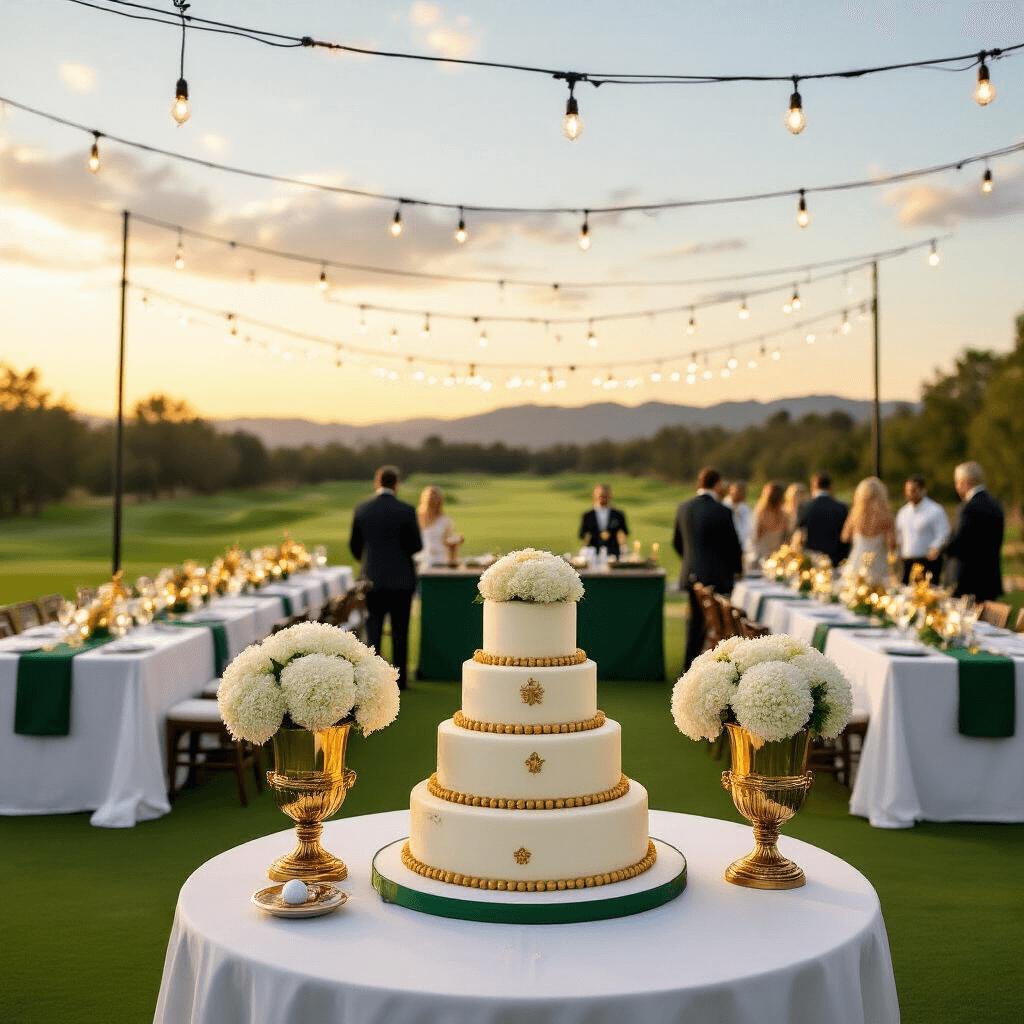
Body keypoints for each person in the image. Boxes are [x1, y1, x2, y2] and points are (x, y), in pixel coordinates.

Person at [349, 465, 422, 689]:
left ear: (377, 483)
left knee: (374, 629)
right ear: (396, 485)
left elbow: (354, 546)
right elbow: (416, 545)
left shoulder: (362, 509)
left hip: (373, 580)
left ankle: (374, 682)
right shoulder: (407, 510)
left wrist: (369, 562)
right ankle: (400, 681)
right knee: (401, 629)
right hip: (402, 580)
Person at [672, 467, 743, 671]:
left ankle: (689, 668)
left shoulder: (683, 507)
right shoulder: (723, 511)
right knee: (718, 626)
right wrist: (737, 570)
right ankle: (714, 669)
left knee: (694, 625)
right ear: (718, 484)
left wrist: (690, 562)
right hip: (717, 578)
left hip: (691, 576)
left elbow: (677, 543)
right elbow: (733, 548)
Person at [945, 461, 1005, 602]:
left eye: (957, 482)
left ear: (966, 481)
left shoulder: (968, 507)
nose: (956, 487)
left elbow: (960, 542)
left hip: (968, 580)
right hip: (990, 579)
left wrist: (942, 549)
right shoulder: (996, 505)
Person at [895, 473, 950, 584]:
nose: (909, 494)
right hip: (907, 562)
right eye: (907, 490)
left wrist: (935, 547)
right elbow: (899, 536)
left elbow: (943, 533)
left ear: (923, 490)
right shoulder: (903, 512)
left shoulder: (935, 510)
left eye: (913, 490)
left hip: (927, 562)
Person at [840, 477, 897, 584]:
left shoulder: (855, 515)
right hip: (878, 562)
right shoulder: (887, 517)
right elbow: (892, 544)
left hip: (857, 561)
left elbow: (845, 537)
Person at [797, 473, 850, 567]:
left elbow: (799, 536)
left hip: (812, 561)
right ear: (830, 487)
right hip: (836, 561)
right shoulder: (842, 508)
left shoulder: (804, 507)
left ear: (813, 487)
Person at [416, 486, 463, 567]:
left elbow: (449, 542)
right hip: (421, 560)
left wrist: (456, 542)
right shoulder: (416, 518)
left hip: (440, 561)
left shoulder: (445, 521)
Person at [579, 483, 629, 558]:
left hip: (613, 552)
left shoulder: (618, 514)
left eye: (605, 496)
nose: (603, 498)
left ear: (610, 496)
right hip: (592, 553)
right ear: (595, 496)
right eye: (600, 496)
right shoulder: (588, 515)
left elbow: (624, 532)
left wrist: (621, 541)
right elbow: (582, 534)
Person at [747, 481, 789, 570]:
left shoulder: (759, 514)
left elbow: (754, 539)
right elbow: (786, 540)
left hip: (761, 558)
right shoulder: (784, 516)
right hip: (775, 558)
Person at [722, 481, 753, 550]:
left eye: (740, 492)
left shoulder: (746, 509)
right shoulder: (723, 506)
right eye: (735, 491)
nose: (736, 494)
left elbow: (749, 528)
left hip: (743, 546)